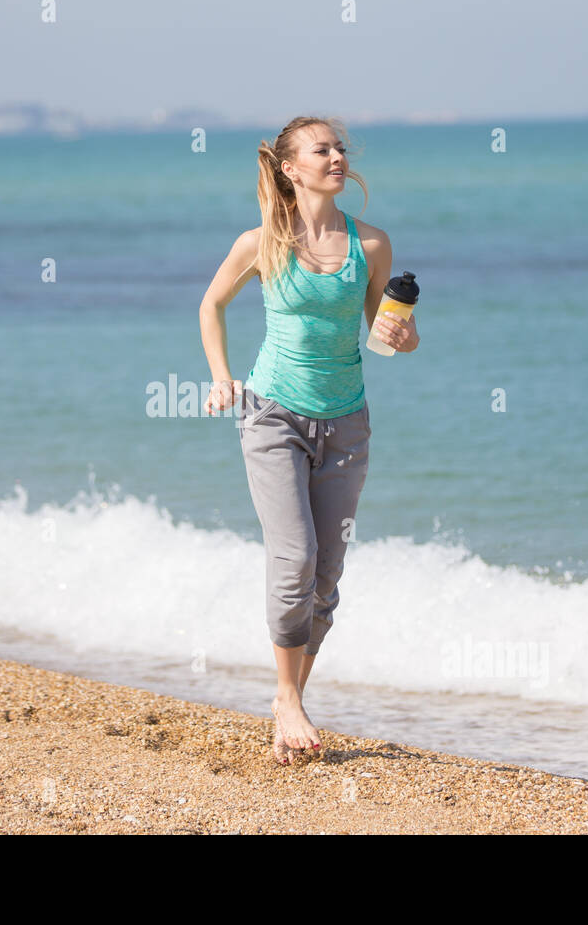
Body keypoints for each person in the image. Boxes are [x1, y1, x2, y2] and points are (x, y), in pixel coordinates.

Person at [198, 116, 418, 765]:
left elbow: (388, 333)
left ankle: (287, 698)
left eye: (340, 148)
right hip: (273, 414)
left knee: (326, 575)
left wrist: (404, 336)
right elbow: (211, 304)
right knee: (293, 555)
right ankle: (288, 700)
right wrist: (220, 377)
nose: (336, 156)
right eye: (322, 149)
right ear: (291, 167)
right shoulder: (262, 241)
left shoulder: (370, 244)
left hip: (347, 421)